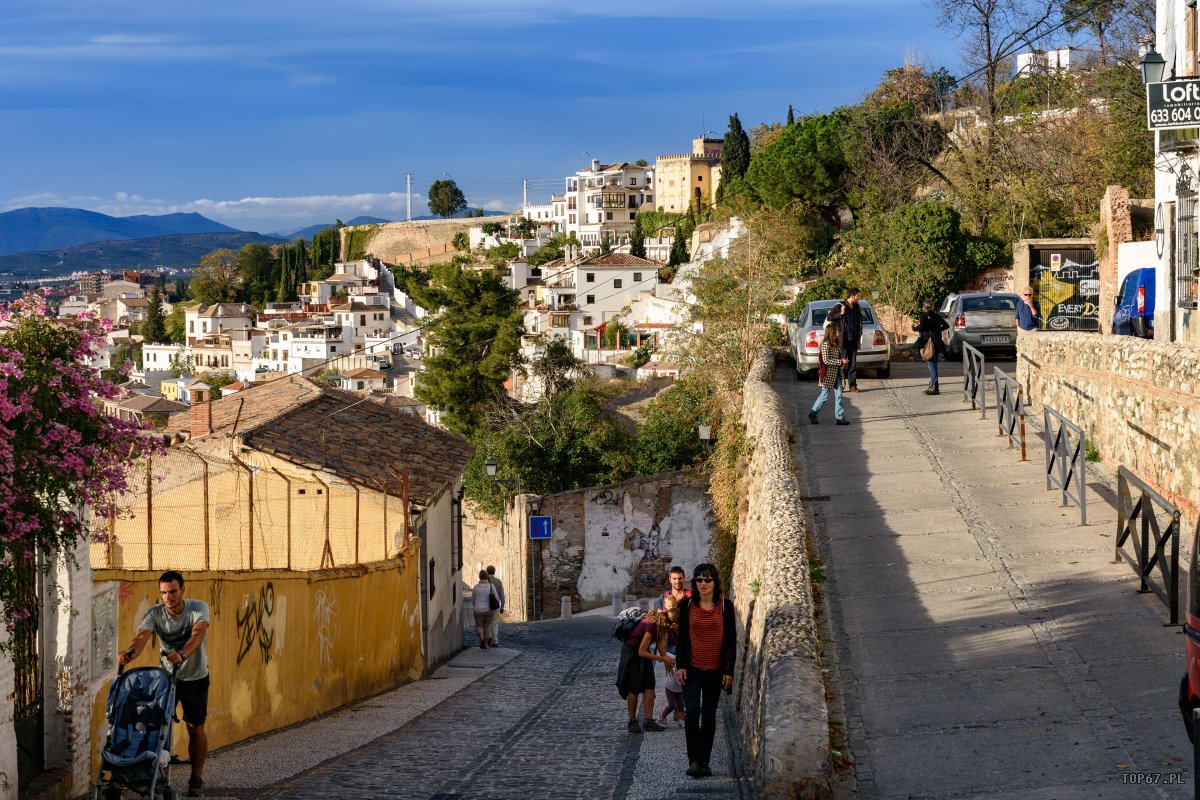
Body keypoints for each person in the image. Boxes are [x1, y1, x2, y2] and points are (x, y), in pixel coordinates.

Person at [117, 570, 211, 798]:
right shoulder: (155, 613)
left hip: (195, 677)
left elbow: (197, 635)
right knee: (159, 727)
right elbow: (141, 637)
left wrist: (182, 654)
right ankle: (161, 777)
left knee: (194, 728)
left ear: (182, 590)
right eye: (164, 593)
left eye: (172, 591)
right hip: (166, 678)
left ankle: (196, 778)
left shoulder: (198, 608)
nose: (168, 597)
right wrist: (129, 653)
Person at [675, 563, 737, 779]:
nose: (703, 583)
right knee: (692, 713)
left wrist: (728, 671)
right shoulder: (686, 606)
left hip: (715, 671)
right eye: (699, 580)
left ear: (715, 582)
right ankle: (694, 761)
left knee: (709, 716)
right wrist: (680, 665)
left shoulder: (725, 607)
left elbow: (731, 641)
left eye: (708, 579)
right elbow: (681, 639)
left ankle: (705, 761)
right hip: (692, 670)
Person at [616, 607, 674, 733]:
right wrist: (661, 658)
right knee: (634, 687)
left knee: (649, 684)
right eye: (672, 626)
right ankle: (632, 721)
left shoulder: (660, 626)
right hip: (631, 653)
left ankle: (648, 721)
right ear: (667, 624)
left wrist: (666, 663)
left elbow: (659, 644)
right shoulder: (650, 624)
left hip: (642, 652)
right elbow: (641, 652)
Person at [808, 322, 850, 426]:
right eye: (837, 330)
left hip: (837, 373)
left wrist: (842, 361)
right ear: (832, 331)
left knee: (839, 395)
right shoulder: (826, 344)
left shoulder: (836, 343)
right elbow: (826, 360)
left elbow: (836, 358)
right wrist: (840, 362)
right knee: (824, 396)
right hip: (827, 374)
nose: (838, 332)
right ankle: (813, 413)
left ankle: (840, 418)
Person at [656, 596, 685, 728]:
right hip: (670, 685)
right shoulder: (666, 625)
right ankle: (661, 717)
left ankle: (681, 720)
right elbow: (664, 644)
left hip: (679, 684)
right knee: (672, 704)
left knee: (681, 704)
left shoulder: (679, 623)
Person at [913, 299, 950, 395]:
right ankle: (933, 384)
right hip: (937, 342)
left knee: (932, 364)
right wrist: (937, 330)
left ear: (924, 307)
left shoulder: (924, 316)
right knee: (932, 364)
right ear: (932, 306)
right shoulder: (936, 315)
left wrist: (914, 328)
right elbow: (946, 325)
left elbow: (922, 327)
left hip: (929, 343)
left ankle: (935, 386)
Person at [835, 289, 863, 392]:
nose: (859, 298)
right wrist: (841, 314)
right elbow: (830, 317)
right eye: (858, 296)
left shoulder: (857, 307)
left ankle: (852, 386)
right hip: (843, 341)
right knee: (841, 364)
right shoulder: (840, 305)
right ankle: (839, 386)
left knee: (853, 365)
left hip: (854, 340)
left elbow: (859, 322)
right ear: (852, 296)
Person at [471, 570, 500, 650]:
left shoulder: (476, 587)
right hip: (489, 610)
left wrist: (476, 605)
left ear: (479, 577)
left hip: (478, 610)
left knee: (479, 626)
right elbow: (496, 597)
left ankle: (482, 639)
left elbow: (473, 599)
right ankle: (486, 644)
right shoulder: (491, 586)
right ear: (487, 577)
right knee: (487, 626)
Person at [485, 565, 505, 647]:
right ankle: (495, 641)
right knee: (495, 623)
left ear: (487, 572)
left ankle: (488, 636)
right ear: (494, 572)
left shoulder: (484, 581)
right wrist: (502, 606)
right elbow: (502, 595)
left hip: (486, 605)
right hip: (495, 605)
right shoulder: (499, 581)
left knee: (487, 623)